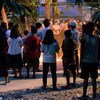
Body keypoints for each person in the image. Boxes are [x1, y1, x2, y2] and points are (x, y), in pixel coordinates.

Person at [80, 22, 99, 99]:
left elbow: (82, 51)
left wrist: (80, 61)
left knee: (85, 79)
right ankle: (94, 94)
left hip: (86, 61)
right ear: (93, 30)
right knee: (94, 79)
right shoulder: (97, 39)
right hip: (94, 61)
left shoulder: (84, 38)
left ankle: (84, 94)